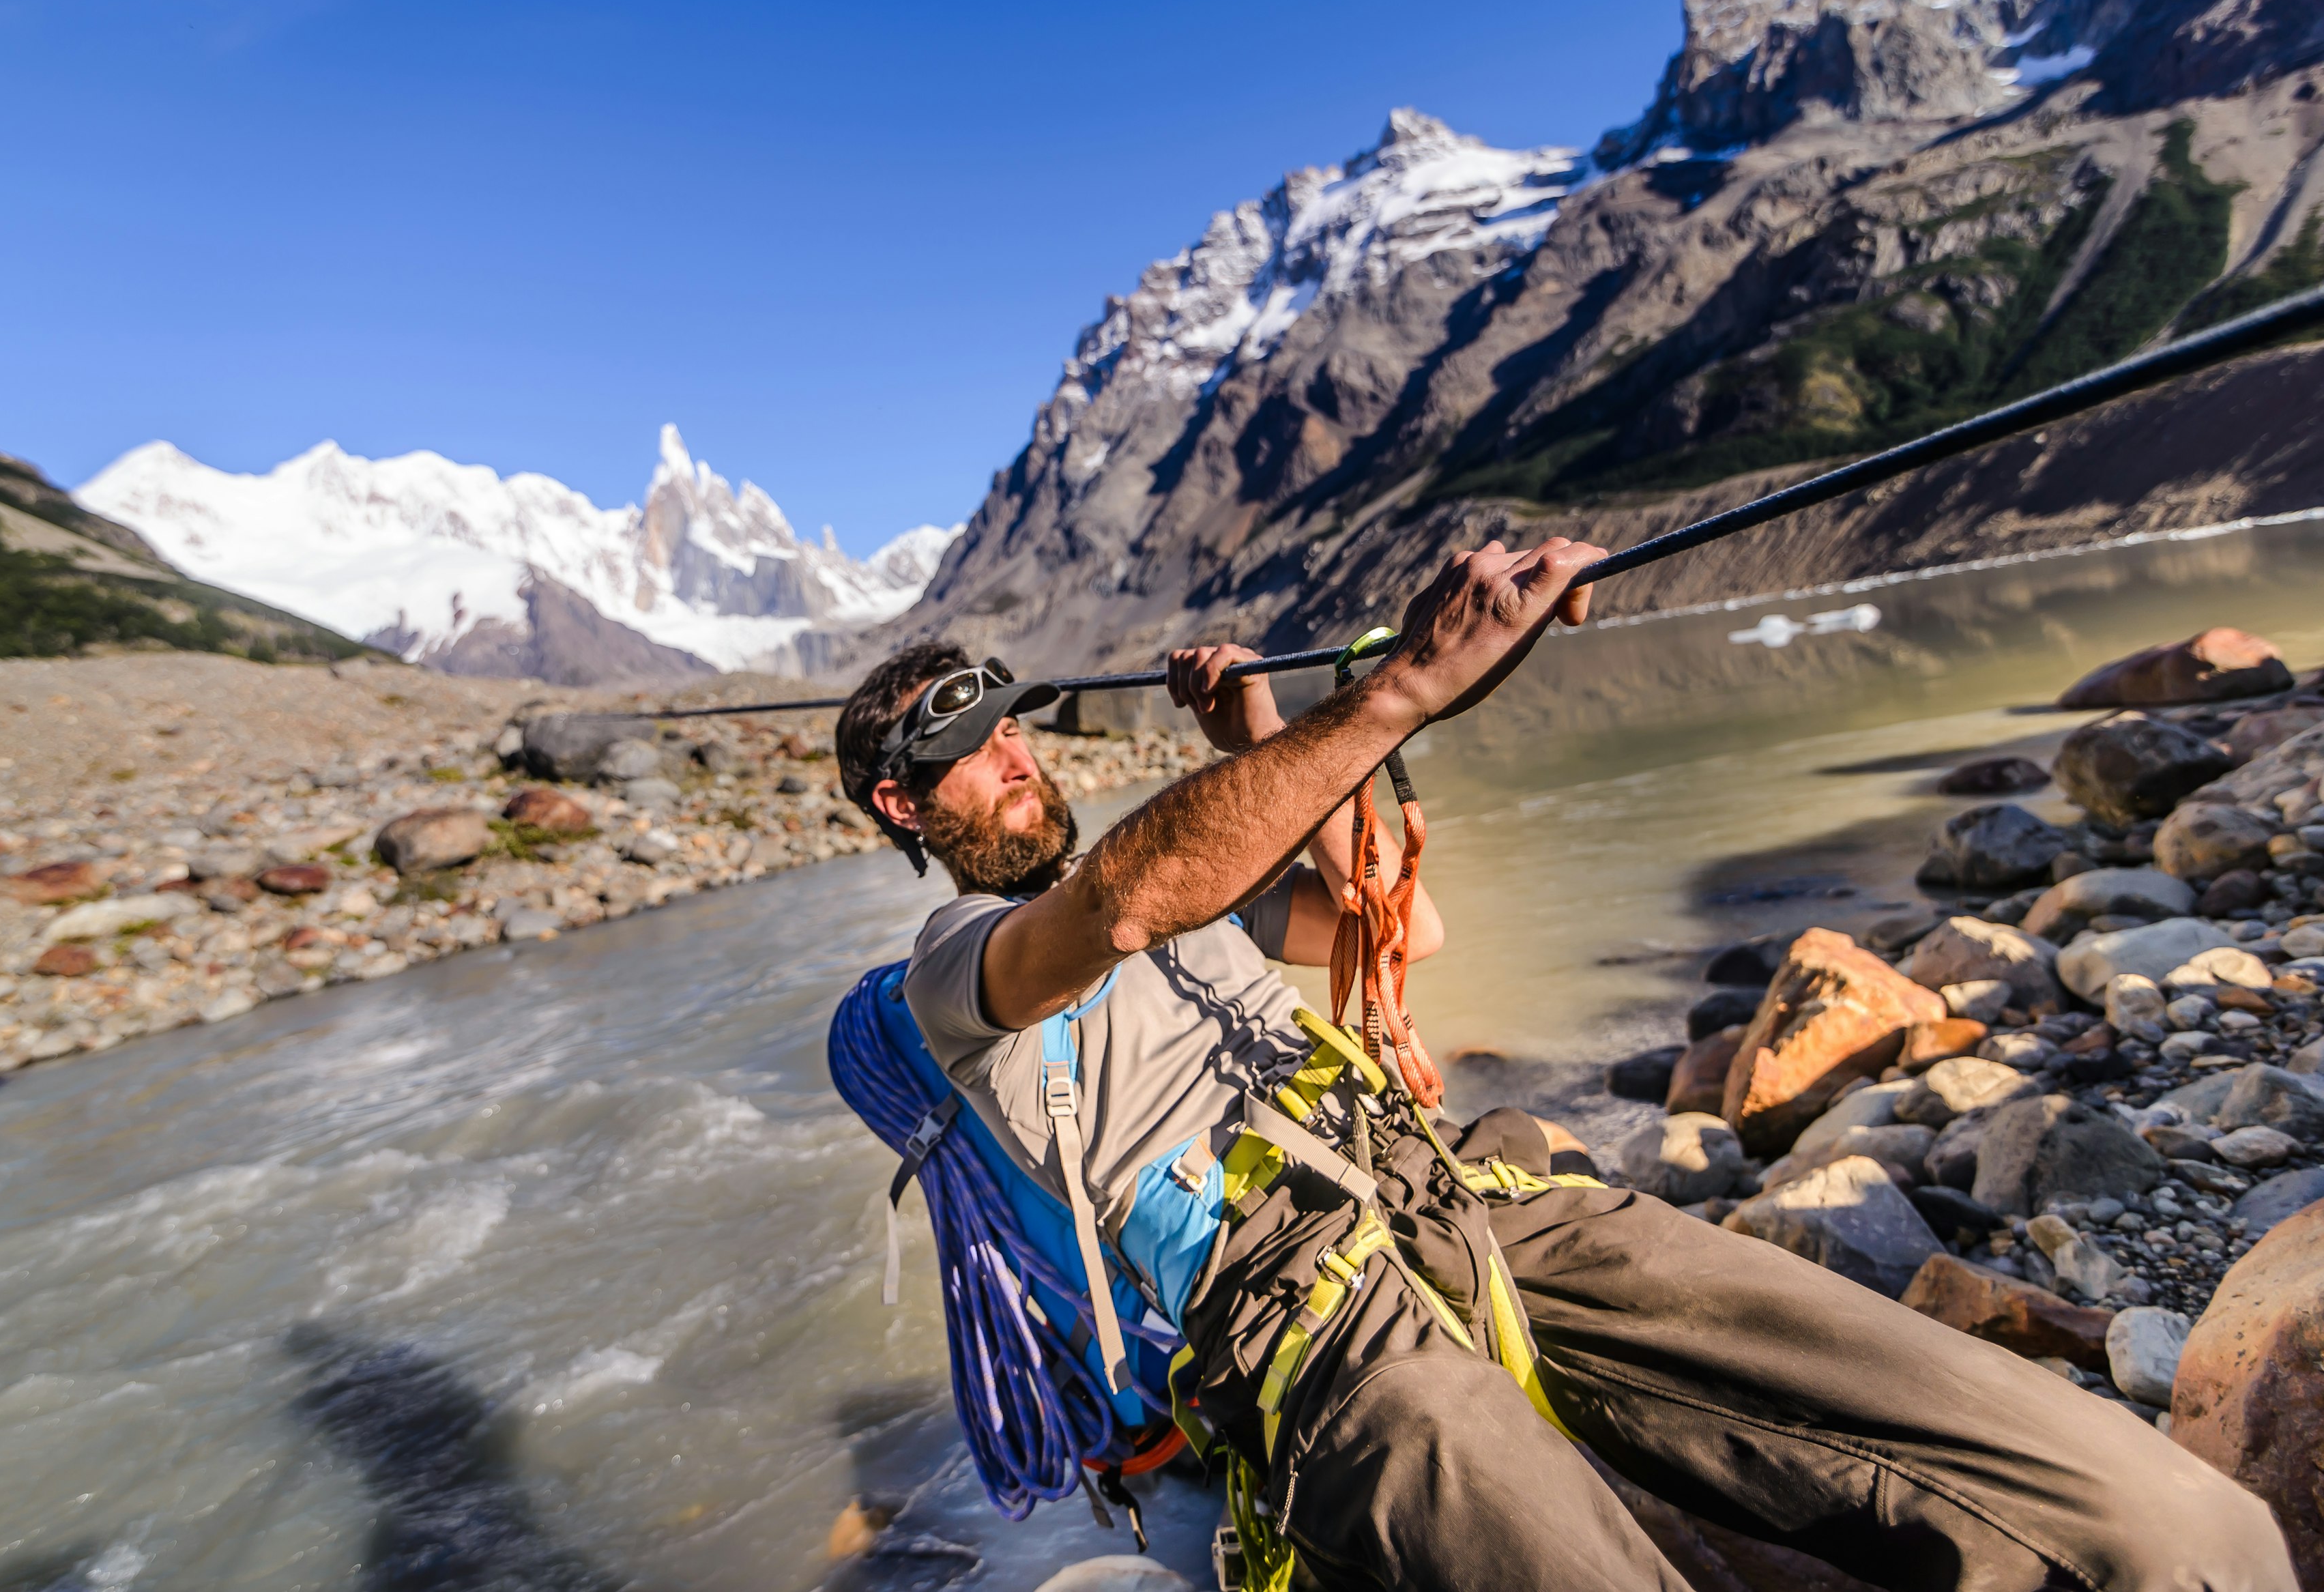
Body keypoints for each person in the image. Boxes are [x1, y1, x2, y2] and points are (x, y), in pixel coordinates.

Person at [833, 536, 2292, 1592]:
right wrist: (1399, 691)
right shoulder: (962, 974)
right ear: (905, 804)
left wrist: (1273, 732)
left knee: (2163, 1523)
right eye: (970, 748)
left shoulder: (1191, 875)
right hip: (1309, 1334)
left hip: (1474, 1209)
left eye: (1014, 719)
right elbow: (1116, 902)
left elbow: (1387, 916)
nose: (1017, 754)